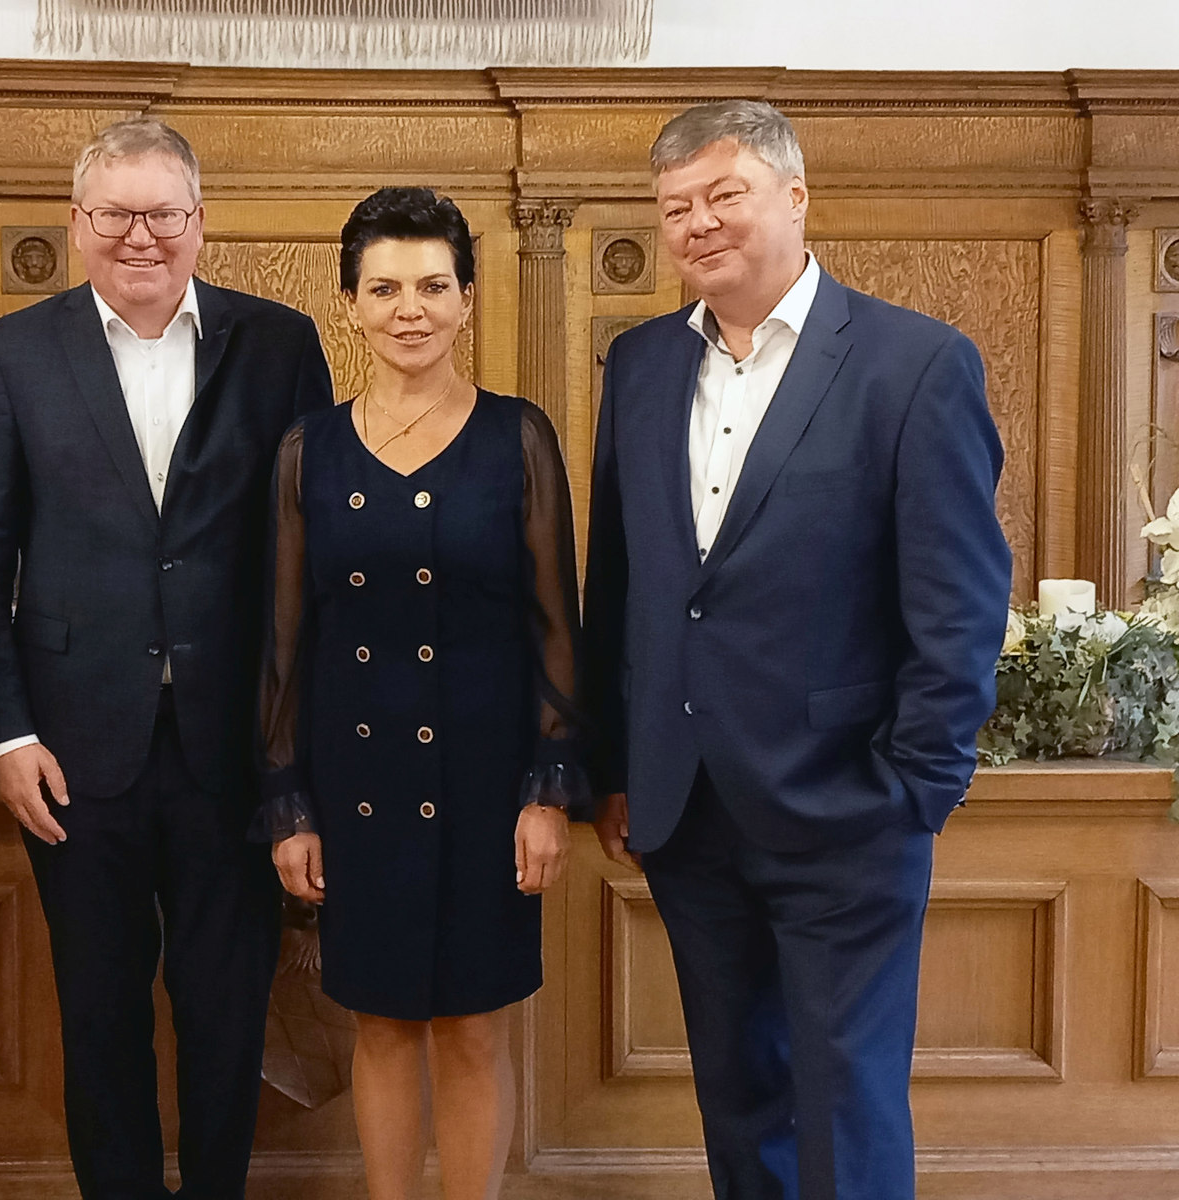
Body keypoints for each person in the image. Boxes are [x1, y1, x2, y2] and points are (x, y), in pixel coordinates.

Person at [583, 100, 1012, 1200]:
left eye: (724, 195)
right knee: (737, 1096)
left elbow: (959, 602)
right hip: (686, 812)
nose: (698, 224)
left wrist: (916, 784)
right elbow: (624, 586)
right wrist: (614, 768)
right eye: (676, 207)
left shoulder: (914, 365)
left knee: (846, 1102)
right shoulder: (635, 367)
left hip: (849, 810)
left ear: (796, 196)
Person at [0, 117, 334, 1200]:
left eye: (163, 212)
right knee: (99, 1013)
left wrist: (299, 748)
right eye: (115, 213)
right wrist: (4, 732)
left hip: (236, 747)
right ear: (77, 227)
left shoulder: (279, 344)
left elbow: (314, 552)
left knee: (226, 1012)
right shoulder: (17, 353)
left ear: (200, 223)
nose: (140, 235)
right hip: (71, 748)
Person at [261, 187, 587, 1200]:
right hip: (355, 782)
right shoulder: (308, 450)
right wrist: (288, 806)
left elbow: (555, 631)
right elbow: (284, 646)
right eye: (385, 287)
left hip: (490, 781)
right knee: (383, 1024)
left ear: (468, 298)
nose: (411, 308)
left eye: (433, 286)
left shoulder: (517, 437)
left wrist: (550, 789)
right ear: (350, 303)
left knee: (474, 1027)